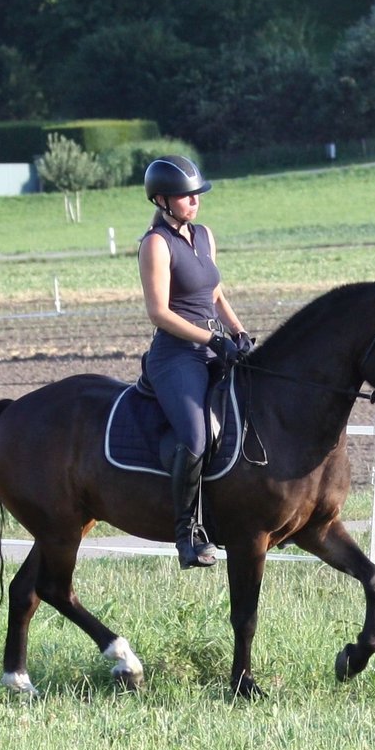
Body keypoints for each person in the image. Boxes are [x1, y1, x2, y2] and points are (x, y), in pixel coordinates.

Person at [138, 155, 254, 569]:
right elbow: (159, 313)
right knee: (196, 437)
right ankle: (186, 535)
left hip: (214, 345)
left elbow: (216, 295)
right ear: (163, 200)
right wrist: (212, 339)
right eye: (187, 196)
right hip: (175, 355)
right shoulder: (155, 244)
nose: (195, 201)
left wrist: (237, 333)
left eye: (197, 194)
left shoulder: (204, 235)